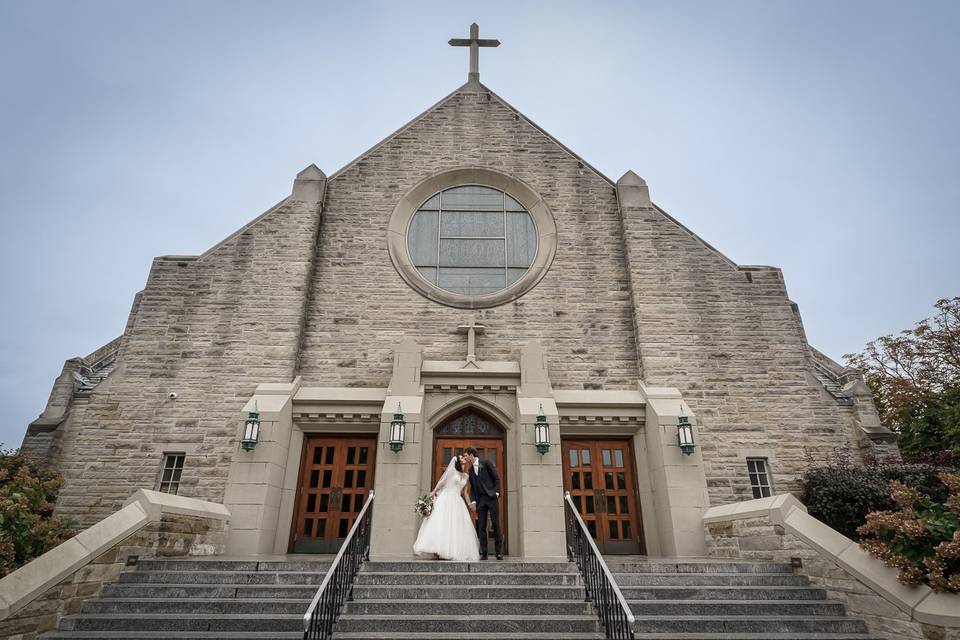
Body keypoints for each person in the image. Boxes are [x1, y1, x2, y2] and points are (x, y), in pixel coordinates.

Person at [412, 455, 480, 561]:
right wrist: (434, 492)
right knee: (442, 523)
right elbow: (442, 482)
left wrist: (470, 504)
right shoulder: (452, 471)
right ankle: (438, 550)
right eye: (461, 457)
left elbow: (465, 492)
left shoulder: (466, 476)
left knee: (455, 525)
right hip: (446, 497)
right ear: (457, 461)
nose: (464, 459)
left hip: (457, 500)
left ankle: (451, 550)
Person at [463, 447, 503, 560]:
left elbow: (496, 478)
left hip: (492, 498)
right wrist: (474, 501)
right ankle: (484, 553)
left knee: (495, 525)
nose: (465, 458)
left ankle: (498, 552)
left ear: (471, 455)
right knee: (481, 526)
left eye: (466, 455)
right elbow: (473, 489)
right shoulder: (470, 471)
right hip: (481, 501)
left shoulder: (486, 463)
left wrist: (496, 493)